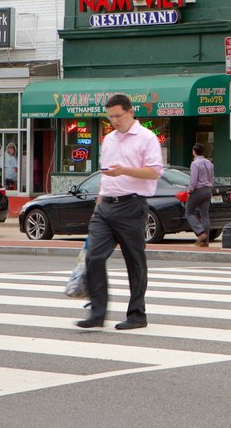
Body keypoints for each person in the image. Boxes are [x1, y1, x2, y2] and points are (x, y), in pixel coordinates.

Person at [77, 94, 162, 330]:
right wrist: (98, 206)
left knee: (134, 261)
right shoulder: (109, 139)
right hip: (105, 206)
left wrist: (124, 170)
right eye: (110, 116)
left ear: (130, 112)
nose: (114, 120)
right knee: (93, 257)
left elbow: (155, 172)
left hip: (132, 205)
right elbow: (106, 175)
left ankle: (137, 314)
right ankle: (97, 312)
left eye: (118, 115)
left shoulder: (147, 138)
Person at [185, 142, 215, 247]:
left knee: (189, 212)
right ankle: (205, 241)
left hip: (198, 190)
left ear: (194, 152)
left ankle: (201, 233)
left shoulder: (195, 164)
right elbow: (212, 178)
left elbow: (193, 180)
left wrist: (189, 190)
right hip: (207, 190)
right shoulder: (209, 163)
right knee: (205, 215)